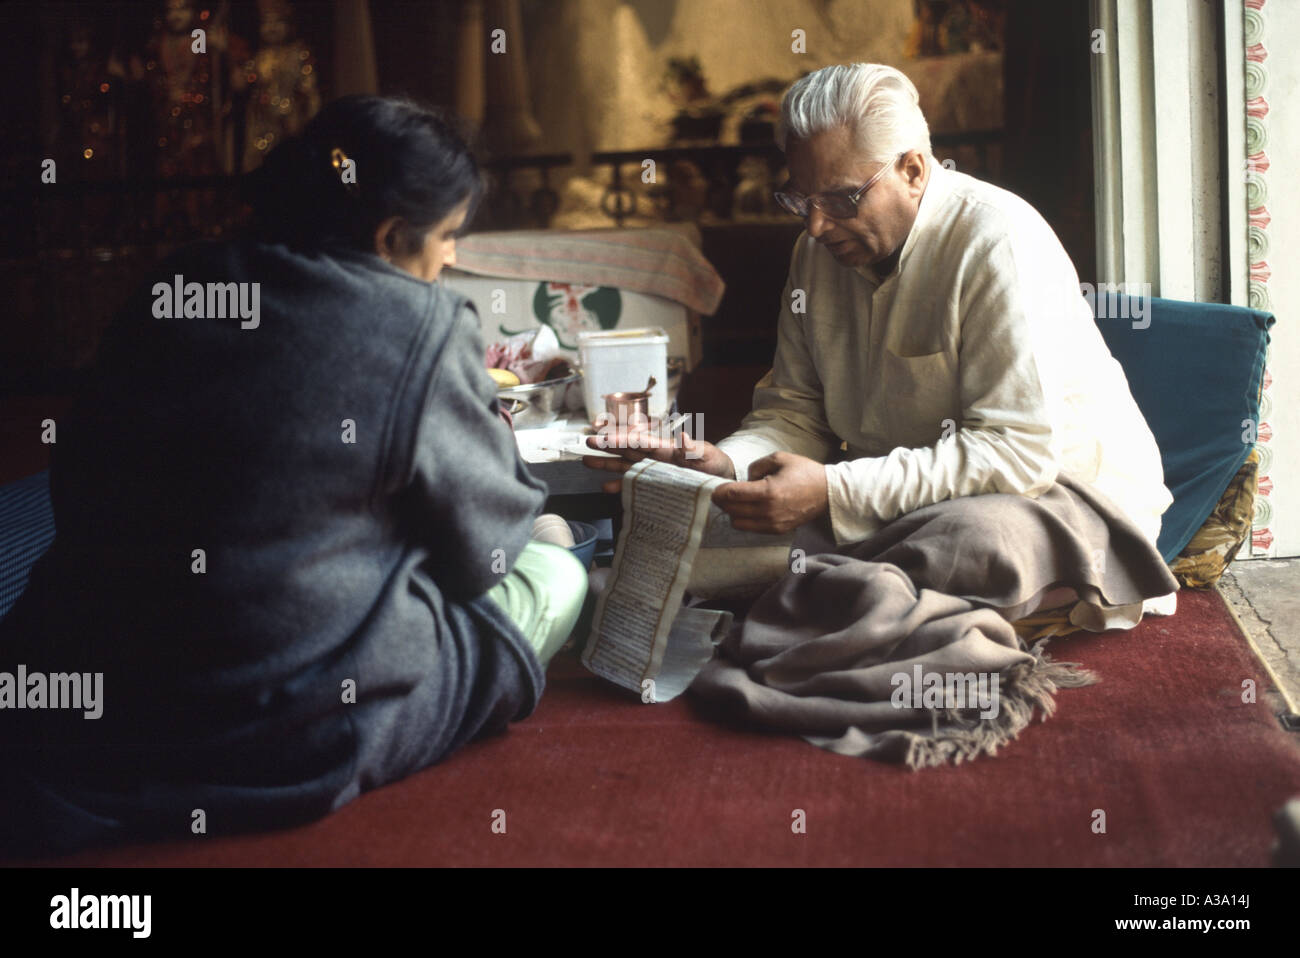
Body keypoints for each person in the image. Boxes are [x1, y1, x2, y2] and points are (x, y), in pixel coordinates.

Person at [0, 95, 586, 856]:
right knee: (553, 559)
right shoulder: (419, 321)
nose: (448, 260)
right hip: (285, 727)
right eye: (446, 238)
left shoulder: (173, 283)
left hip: (86, 708)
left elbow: (75, 486)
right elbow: (487, 555)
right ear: (389, 235)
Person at [586, 64, 1179, 764]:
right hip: (900, 500)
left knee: (977, 543)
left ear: (914, 169)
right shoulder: (816, 253)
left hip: (1059, 494)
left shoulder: (996, 241)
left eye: (840, 197)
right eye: (797, 197)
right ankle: (838, 588)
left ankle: (814, 582)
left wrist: (833, 491)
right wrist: (727, 462)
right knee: (711, 517)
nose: (814, 223)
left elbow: (1017, 455)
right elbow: (795, 412)